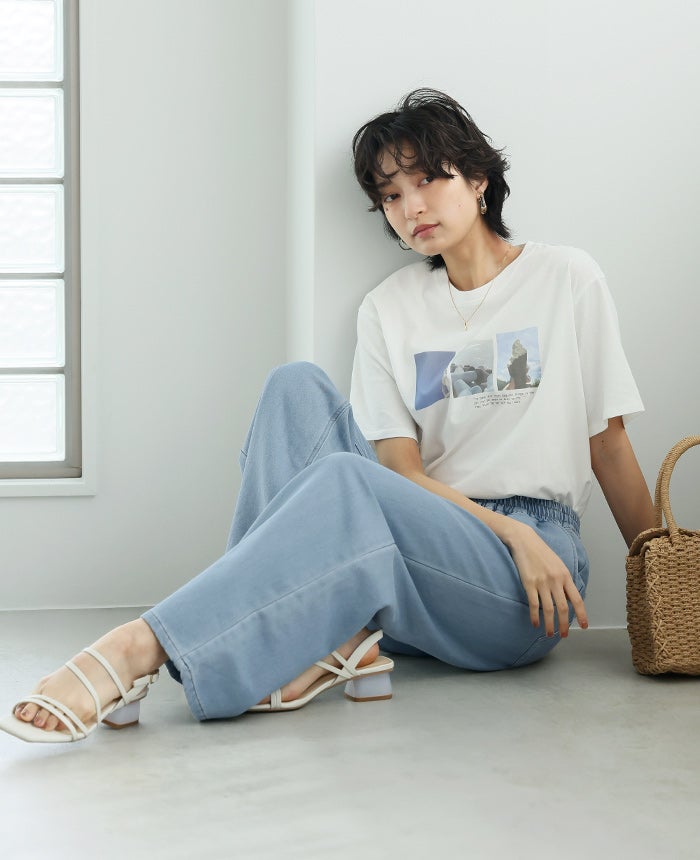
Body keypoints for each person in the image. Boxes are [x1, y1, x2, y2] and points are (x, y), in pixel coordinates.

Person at [0, 89, 656, 744]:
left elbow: (610, 447)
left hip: (528, 574)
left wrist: (665, 584)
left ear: (479, 178)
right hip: (420, 545)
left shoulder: (565, 278)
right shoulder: (389, 307)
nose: (411, 207)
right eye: (391, 194)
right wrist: (498, 526)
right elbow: (401, 475)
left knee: (349, 480)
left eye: (428, 179)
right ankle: (334, 643)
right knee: (294, 388)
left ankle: (136, 648)